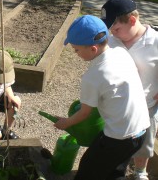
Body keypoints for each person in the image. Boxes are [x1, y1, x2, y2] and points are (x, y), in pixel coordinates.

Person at [55, 15, 150, 180]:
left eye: (76, 50)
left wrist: (66, 122)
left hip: (120, 136)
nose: (76, 54)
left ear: (93, 49)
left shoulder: (93, 76)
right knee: (114, 169)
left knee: (88, 170)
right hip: (141, 130)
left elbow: (85, 113)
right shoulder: (120, 51)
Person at [101, 0, 158, 180]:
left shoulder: (155, 42)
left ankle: (140, 172)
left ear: (132, 20)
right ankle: (116, 169)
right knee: (116, 140)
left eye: (116, 28)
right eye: (111, 30)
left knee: (145, 143)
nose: (113, 33)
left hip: (146, 105)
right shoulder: (113, 40)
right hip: (118, 104)